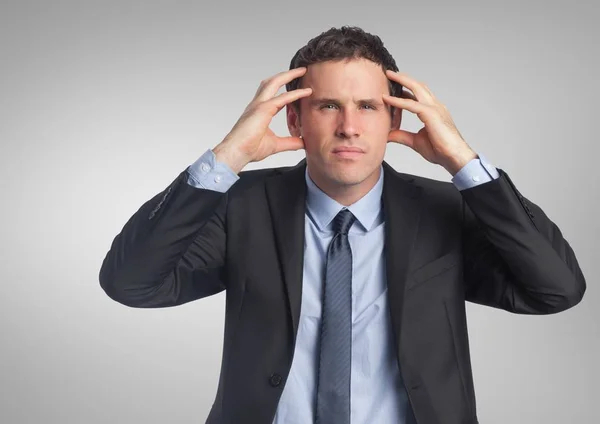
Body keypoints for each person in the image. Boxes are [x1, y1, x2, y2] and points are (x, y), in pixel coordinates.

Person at [98, 26, 586, 424]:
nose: (348, 127)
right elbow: (131, 283)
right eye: (328, 105)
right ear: (294, 119)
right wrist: (228, 157)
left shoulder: (446, 210)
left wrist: (464, 162)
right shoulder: (241, 206)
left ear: (394, 118)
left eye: (368, 107)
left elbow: (556, 289)